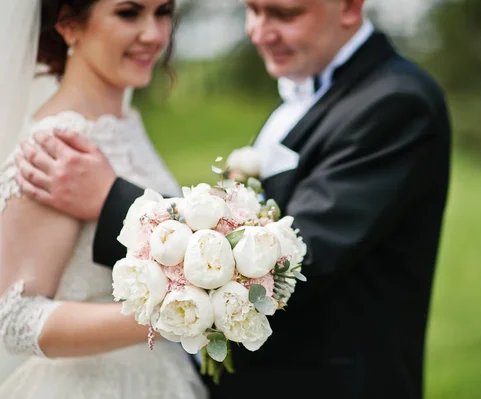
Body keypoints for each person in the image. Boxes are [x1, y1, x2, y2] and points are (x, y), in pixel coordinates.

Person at [16, 0, 452, 397]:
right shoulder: (65, 141)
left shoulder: (394, 102)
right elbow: (14, 311)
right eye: (253, 10)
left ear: (350, 7)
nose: (259, 32)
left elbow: (302, 255)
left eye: (284, 14)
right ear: (68, 26)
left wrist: (110, 200)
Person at [0, 0, 207, 397]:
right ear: (69, 25)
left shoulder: (123, 120)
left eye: (162, 12)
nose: (155, 34)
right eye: (129, 13)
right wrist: (176, 314)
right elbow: (15, 318)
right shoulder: (55, 147)